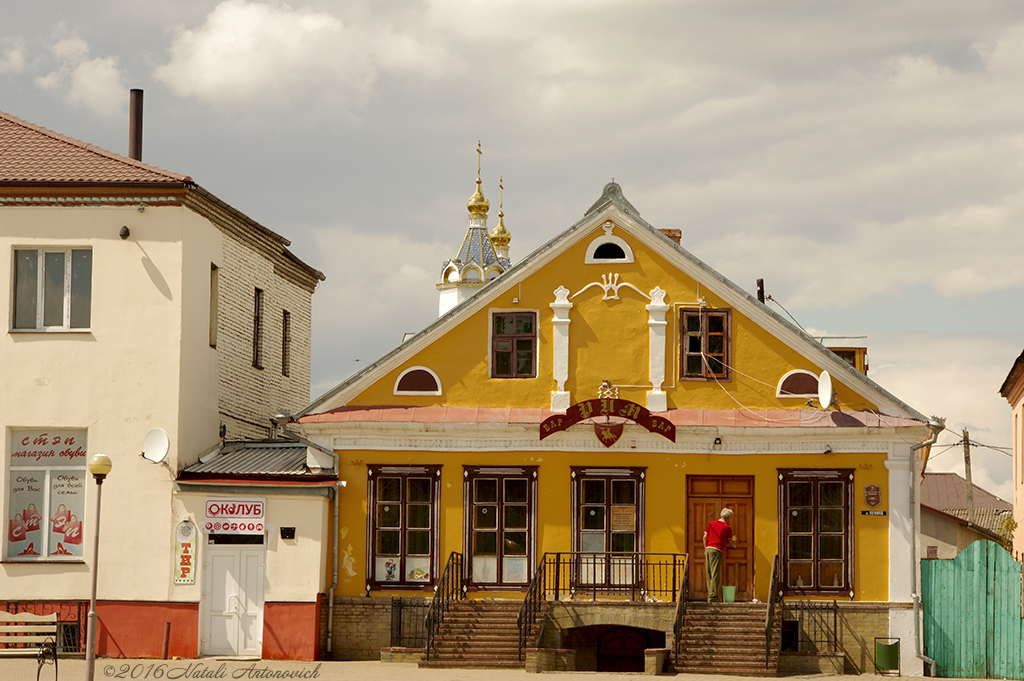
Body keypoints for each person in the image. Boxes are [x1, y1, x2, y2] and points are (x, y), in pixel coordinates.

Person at [703, 508, 737, 603]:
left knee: (708, 572)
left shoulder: (711, 523)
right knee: (715, 573)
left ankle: (711, 593)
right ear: (728, 517)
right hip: (717, 550)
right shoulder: (727, 527)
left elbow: (705, 536)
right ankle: (712, 596)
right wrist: (735, 540)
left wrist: (706, 548)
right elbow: (731, 542)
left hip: (708, 549)